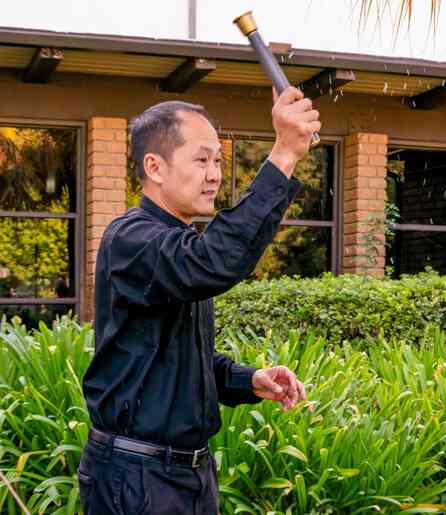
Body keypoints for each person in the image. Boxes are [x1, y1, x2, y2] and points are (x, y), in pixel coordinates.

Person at [79, 88, 320, 514]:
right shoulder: (132, 240)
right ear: (154, 167)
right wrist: (282, 155)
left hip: (189, 477)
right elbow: (218, 261)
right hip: (136, 479)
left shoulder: (179, 247)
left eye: (217, 161)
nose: (214, 174)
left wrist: (248, 379)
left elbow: (175, 362)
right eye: (201, 159)